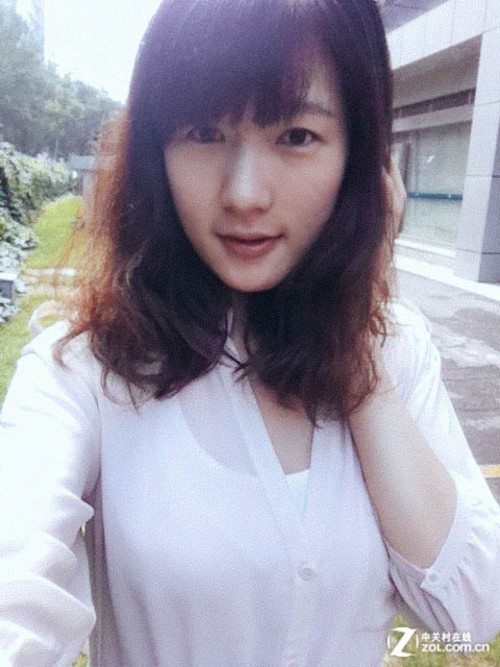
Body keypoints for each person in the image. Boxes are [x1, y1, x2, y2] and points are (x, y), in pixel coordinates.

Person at [1, 0, 500, 665]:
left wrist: (355, 342)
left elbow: (469, 610)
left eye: (296, 136)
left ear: (362, 160)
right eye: (204, 132)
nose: (243, 194)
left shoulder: (397, 350)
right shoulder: (86, 368)